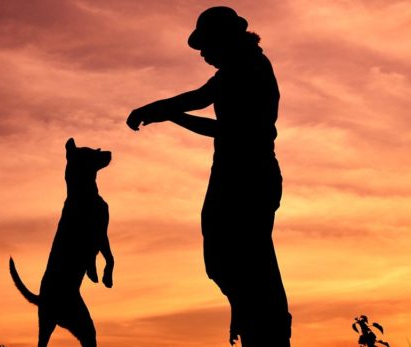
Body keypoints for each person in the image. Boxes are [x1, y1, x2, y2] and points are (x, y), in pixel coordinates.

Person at [126, 6, 291, 347]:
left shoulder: (248, 68)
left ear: (225, 39)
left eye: (206, 45)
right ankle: (251, 316)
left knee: (243, 259)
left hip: (248, 177)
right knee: (230, 259)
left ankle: (265, 326)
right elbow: (201, 99)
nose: (202, 53)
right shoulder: (236, 68)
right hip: (236, 175)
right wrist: (161, 110)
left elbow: (221, 125)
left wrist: (164, 112)